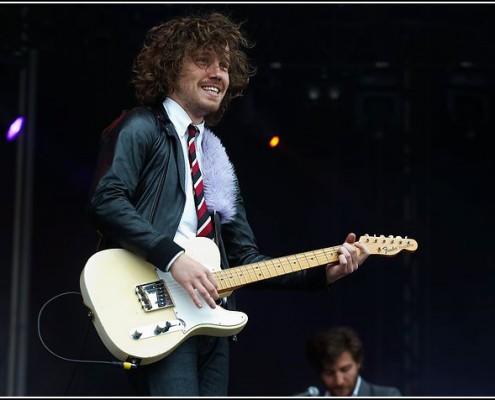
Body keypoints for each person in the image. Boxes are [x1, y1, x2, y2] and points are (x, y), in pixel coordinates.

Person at [87, 10, 370, 396]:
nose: (218, 74)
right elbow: (106, 199)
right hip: (157, 308)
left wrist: (323, 272)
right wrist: (174, 258)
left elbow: (246, 261)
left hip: (210, 322)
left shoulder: (216, 159)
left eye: (224, 66)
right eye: (203, 61)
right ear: (170, 68)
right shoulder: (141, 126)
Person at [305, 326, 402, 396]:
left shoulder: (387, 395)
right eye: (329, 373)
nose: (339, 381)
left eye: (345, 369)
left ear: (358, 363)